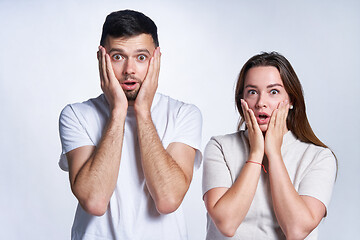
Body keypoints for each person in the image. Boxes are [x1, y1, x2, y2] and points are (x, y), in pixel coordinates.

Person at [58, 10, 202, 240]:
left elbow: (168, 199)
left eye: (141, 57)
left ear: (156, 60)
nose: (129, 70)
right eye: (118, 57)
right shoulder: (76, 115)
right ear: (101, 59)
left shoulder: (184, 114)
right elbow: (94, 201)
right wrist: (118, 111)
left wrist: (143, 112)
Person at [202, 52, 337, 240]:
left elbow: (296, 230)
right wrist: (256, 154)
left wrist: (274, 154)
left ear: (291, 100)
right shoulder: (220, 147)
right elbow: (227, 224)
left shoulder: (318, 157)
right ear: (241, 101)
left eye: (273, 92)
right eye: (252, 92)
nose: (260, 103)